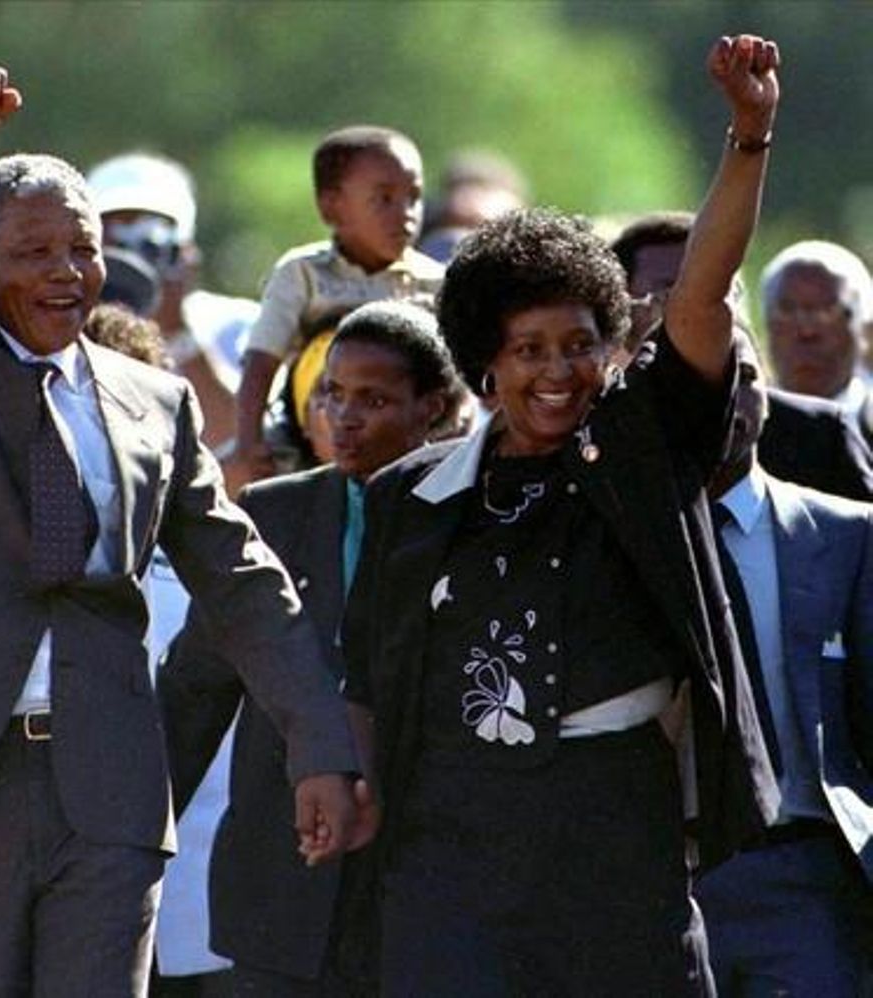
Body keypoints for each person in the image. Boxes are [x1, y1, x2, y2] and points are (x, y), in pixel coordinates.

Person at [0, 68, 364, 998]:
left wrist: (320, 743)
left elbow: (243, 581)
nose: (67, 273)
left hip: (110, 780)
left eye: (83, 249)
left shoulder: (156, 399)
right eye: (36, 251)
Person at [342, 35, 783, 996]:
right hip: (451, 832)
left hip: (612, 818)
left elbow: (701, 296)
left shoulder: (642, 448)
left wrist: (747, 141)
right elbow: (369, 676)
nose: (556, 372)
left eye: (579, 345)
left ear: (613, 344)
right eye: (529, 350)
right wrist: (347, 784)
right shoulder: (408, 496)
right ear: (484, 362)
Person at [162, 300, 465, 997]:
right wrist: (129, 834)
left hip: (422, 885)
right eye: (331, 393)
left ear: (434, 408)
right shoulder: (271, 514)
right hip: (282, 884)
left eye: (375, 399)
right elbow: (194, 692)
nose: (344, 417)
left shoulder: (472, 520)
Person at [693, 328, 873, 995]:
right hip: (671, 878)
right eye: (706, 383)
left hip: (806, 870)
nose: (729, 401)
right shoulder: (622, 541)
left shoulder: (848, 534)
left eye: (744, 376)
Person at [232, 125, 444, 487]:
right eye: (384, 199)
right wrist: (249, 441)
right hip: (312, 440)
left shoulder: (435, 282)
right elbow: (261, 362)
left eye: (415, 197)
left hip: (415, 440)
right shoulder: (303, 274)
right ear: (333, 207)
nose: (406, 214)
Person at [611, 211, 873, 500]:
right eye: (671, 293)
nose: (699, 311)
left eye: (718, 293)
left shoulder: (815, 438)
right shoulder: (587, 429)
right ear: (620, 310)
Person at [88, 152, 258, 451]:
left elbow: (239, 442)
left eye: (149, 243)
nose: (134, 259)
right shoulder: (59, 327)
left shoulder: (235, 325)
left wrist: (176, 331)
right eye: (117, 240)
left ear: (186, 251)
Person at [761, 239, 872, 430]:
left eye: (827, 311)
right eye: (787, 310)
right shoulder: (739, 432)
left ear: (862, 330)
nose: (807, 331)